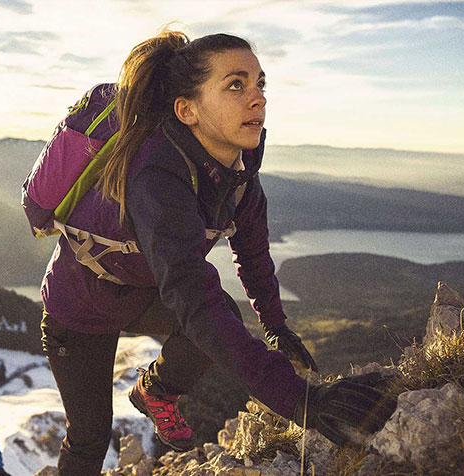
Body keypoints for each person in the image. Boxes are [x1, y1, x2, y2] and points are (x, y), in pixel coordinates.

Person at [30, 30, 396, 475]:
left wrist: (276, 324)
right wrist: (302, 400)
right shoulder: (156, 179)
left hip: (144, 292)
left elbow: (254, 252)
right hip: (78, 310)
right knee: (89, 437)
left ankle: (154, 390)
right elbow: (194, 301)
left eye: (261, 83)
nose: (257, 98)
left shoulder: (239, 178)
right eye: (236, 85)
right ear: (187, 110)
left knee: (223, 310)